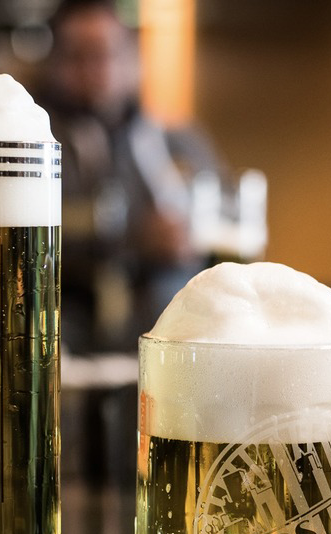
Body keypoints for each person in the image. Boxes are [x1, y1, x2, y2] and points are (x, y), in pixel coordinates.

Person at [39, 0, 221, 352]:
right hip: (62, 333)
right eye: (79, 55)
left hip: (167, 336)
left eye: (109, 52)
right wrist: (133, 239)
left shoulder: (178, 142)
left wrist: (190, 234)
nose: (97, 68)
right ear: (55, 63)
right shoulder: (33, 143)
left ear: (135, 59)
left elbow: (226, 216)